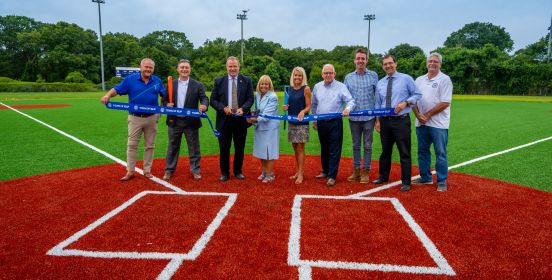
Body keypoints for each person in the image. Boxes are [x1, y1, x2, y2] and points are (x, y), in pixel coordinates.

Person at [100, 58, 166, 181]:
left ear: (153, 69)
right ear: (140, 67)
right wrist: (107, 95)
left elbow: (164, 95)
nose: (148, 69)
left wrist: (161, 110)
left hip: (151, 118)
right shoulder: (130, 79)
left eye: (150, 67)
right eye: (146, 67)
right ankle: (130, 171)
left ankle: (147, 170)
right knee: (132, 145)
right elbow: (117, 89)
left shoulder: (157, 80)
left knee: (150, 146)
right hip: (135, 118)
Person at [372, 55, 422, 191]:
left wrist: (405, 102)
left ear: (396, 64)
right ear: (382, 67)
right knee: (385, 151)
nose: (388, 66)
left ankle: (406, 181)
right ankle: (383, 176)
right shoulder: (380, 83)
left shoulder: (406, 79)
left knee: (404, 152)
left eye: (390, 63)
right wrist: (377, 121)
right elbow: (377, 103)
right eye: (385, 64)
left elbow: (418, 94)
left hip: (401, 120)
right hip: (385, 121)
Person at [412, 53, 453, 192]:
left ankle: (441, 180)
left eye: (436, 61)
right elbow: (412, 100)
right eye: (430, 61)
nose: (432, 63)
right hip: (421, 123)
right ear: (426, 63)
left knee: (440, 152)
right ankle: (425, 177)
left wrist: (427, 115)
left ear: (440, 64)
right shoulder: (419, 80)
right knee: (422, 151)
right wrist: (418, 115)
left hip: (438, 124)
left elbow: (445, 102)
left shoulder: (445, 79)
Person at [163, 59, 209, 181]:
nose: (184, 69)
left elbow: (204, 98)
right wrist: (166, 104)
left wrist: (204, 105)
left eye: (186, 68)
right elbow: (164, 100)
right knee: (172, 147)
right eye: (182, 67)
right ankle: (169, 170)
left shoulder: (197, 84)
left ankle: (195, 170)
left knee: (194, 147)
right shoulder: (170, 84)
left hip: (191, 122)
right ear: (178, 69)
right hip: (174, 121)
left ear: (190, 69)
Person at [210, 56, 254, 182]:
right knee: (224, 148)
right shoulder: (219, 81)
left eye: (235, 66)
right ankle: (224, 173)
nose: (233, 68)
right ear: (226, 67)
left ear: (239, 66)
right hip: (224, 120)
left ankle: (238, 171)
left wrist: (243, 109)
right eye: (230, 66)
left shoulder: (247, 80)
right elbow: (213, 100)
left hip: (240, 120)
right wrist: (223, 108)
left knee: (240, 147)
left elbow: (250, 98)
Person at [311, 64, 355, 187]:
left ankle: (332, 176)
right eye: (326, 73)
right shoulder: (317, 86)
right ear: (322, 74)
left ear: (334, 74)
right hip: (321, 122)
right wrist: (314, 119)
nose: (328, 75)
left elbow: (351, 100)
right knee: (324, 148)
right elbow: (314, 105)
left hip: (335, 122)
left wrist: (348, 109)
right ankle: (325, 171)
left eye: (330, 73)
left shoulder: (341, 86)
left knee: (334, 149)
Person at [344, 48, 379, 184]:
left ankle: (366, 171)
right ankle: (356, 170)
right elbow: (345, 97)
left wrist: (377, 118)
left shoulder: (373, 75)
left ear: (366, 60)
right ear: (354, 60)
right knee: (356, 145)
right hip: (354, 118)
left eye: (363, 59)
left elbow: (378, 97)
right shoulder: (348, 77)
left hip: (369, 118)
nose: (360, 61)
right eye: (358, 58)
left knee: (368, 145)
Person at [247, 75, 280, 183]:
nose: (264, 86)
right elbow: (256, 110)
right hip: (260, 126)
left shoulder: (273, 96)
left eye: (266, 84)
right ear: (259, 85)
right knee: (262, 150)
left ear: (270, 85)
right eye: (262, 84)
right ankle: (264, 172)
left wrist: (253, 120)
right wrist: (252, 115)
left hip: (270, 128)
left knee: (269, 151)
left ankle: (270, 174)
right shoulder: (257, 95)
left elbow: (267, 114)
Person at [282, 67, 311, 184]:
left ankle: (301, 173)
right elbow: (289, 104)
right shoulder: (289, 89)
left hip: (302, 122)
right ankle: (298, 171)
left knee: (300, 147)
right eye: (295, 75)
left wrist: (303, 111)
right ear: (292, 76)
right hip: (292, 121)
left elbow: (309, 106)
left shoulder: (306, 89)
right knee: (294, 147)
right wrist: (285, 107)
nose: (297, 77)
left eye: (299, 75)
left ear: (303, 76)